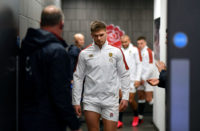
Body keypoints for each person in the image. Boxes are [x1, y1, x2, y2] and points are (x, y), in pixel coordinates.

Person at [20, 5, 81, 131]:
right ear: (61, 24)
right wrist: (74, 124)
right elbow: (60, 93)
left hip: (26, 118)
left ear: (40, 22)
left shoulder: (26, 47)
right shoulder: (57, 51)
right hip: (49, 121)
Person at [72, 21, 130, 131]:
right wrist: (75, 101)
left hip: (111, 100)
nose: (99, 38)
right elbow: (78, 77)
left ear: (106, 33)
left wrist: (125, 96)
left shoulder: (116, 51)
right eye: (95, 35)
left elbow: (124, 74)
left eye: (101, 35)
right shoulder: (84, 53)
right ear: (91, 35)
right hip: (90, 100)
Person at [117, 35, 142, 128]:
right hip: (120, 79)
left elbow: (139, 65)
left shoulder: (135, 50)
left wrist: (138, 79)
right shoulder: (119, 50)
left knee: (130, 100)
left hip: (132, 79)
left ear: (129, 41)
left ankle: (136, 116)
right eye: (122, 42)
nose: (124, 44)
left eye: (126, 42)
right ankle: (119, 120)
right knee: (120, 100)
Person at [137, 36, 155, 123]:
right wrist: (139, 78)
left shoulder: (149, 52)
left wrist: (144, 78)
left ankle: (158, 117)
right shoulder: (138, 52)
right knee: (140, 96)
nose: (140, 45)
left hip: (149, 79)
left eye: (141, 43)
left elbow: (151, 67)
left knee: (149, 99)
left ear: (145, 43)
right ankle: (140, 117)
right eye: (138, 43)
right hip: (140, 79)